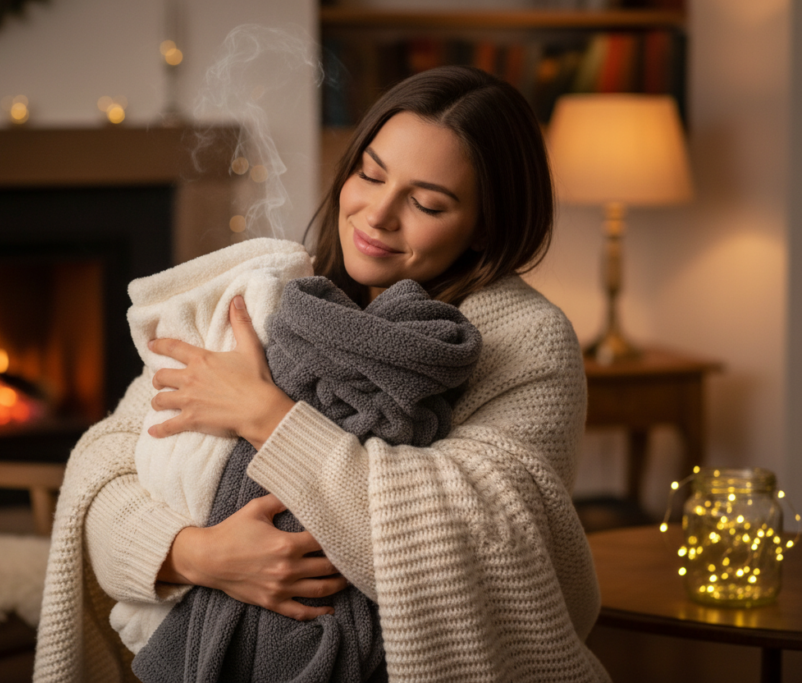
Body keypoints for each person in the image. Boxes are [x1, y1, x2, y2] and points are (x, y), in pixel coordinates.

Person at [34, 65, 610, 683]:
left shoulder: (524, 340)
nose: (377, 214)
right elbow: (106, 465)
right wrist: (198, 556)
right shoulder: (267, 292)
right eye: (370, 173)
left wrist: (262, 413)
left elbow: (472, 540)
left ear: (485, 226)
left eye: (427, 203)